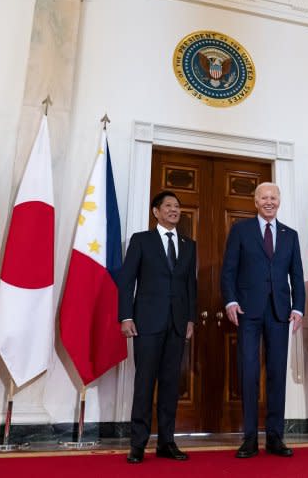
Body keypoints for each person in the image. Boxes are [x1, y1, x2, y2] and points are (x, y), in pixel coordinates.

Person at [221, 182, 305, 458]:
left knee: (277, 374)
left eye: (273, 197)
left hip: (280, 313)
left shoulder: (290, 235)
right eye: (264, 198)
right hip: (248, 311)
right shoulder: (240, 230)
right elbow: (229, 269)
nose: (269, 202)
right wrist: (231, 300)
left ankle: (275, 438)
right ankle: (248, 439)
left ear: (279, 201)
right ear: (255, 202)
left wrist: (299, 308)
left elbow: (296, 275)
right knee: (248, 373)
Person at [118, 191, 197, 464]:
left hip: (177, 324)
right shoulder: (141, 241)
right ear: (156, 211)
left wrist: (190, 319)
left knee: (170, 385)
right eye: (168, 206)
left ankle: (166, 442)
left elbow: (190, 286)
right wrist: (126, 317)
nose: (174, 210)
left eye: (177, 206)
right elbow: (127, 281)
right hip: (147, 323)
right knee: (144, 383)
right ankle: (137, 444)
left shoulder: (189, 245)